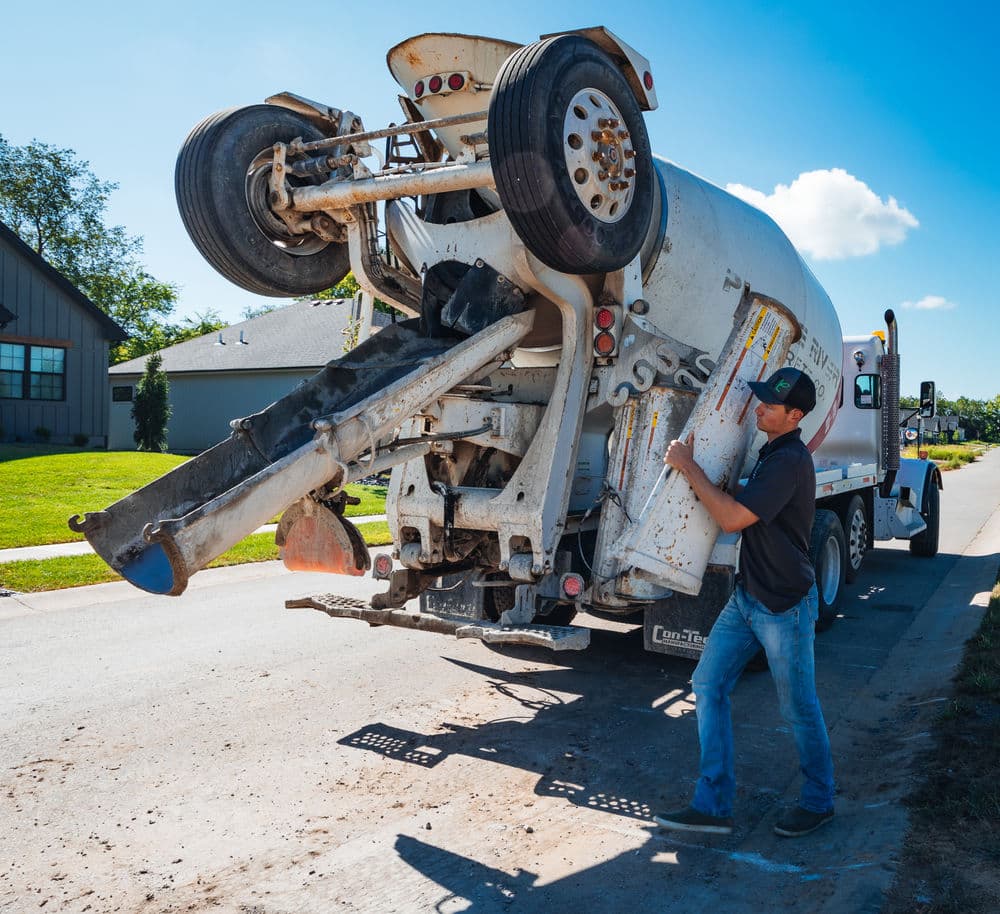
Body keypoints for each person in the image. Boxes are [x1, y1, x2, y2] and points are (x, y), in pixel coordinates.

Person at [653, 366, 835, 838]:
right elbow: (747, 505)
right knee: (707, 684)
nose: (758, 408)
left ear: (794, 415)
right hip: (749, 596)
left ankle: (819, 801)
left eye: (769, 406)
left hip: (784, 604)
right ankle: (712, 804)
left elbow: (733, 519)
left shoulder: (790, 460)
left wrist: (688, 466)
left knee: (798, 707)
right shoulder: (770, 452)